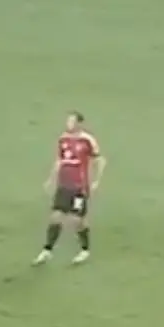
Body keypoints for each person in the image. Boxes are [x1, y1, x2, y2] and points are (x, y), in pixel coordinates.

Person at [35, 112, 104, 265]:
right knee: (55, 216)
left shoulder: (87, 140)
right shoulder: (63, 139)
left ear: (79, 123)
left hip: (79, 187)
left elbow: (100, 160)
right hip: (63, 185)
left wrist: (97, 181)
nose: (69, 124)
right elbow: (59, 161)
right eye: (68, 121)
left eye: (72, 121)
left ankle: (85, 250)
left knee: (77, 220)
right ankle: (47, 250)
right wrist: (51, 179)